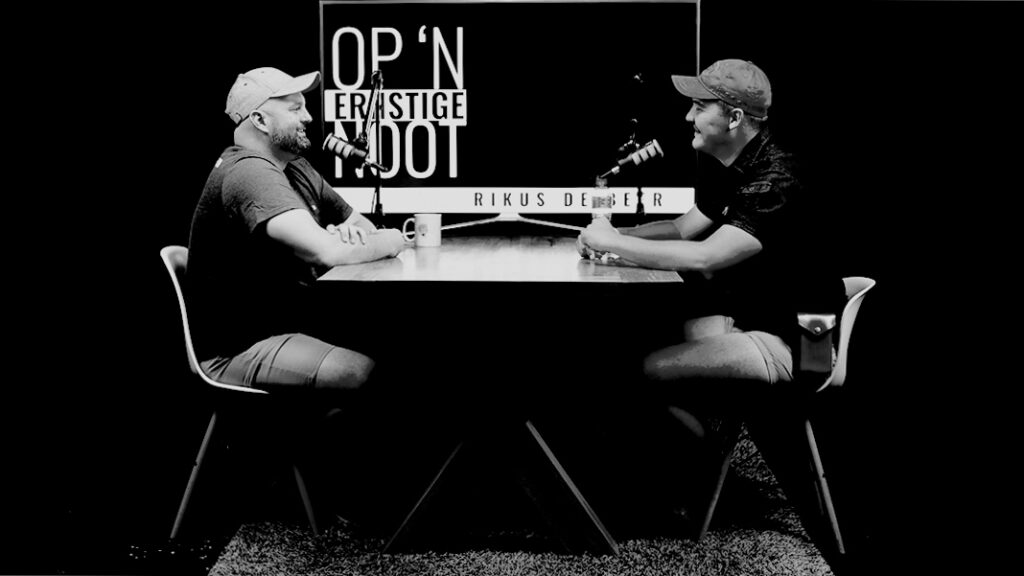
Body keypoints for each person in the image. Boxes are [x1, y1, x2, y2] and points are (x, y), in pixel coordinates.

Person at [579, 58, 844, 392]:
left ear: (734, 118)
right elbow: (681, 229)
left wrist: (610, 243)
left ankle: (753, 430)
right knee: (638, 339)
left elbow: (705, 256)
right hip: (760, 322)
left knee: (646, 369)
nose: (688, 117)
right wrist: (614, 235)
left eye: (700, 107)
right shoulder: (736, 166)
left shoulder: (774, 180)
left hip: (805, 348)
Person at [186, 67, 407, 392]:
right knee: (364, 370)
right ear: (260, 120)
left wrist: (350, 237)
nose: (308, 117)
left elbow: (361, 225)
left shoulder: (295, 167)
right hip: (239, 348)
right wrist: (392, 239)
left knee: (395, 342)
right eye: (295, 109)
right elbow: (326, 252)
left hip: (286, 326)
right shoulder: (249, 172)